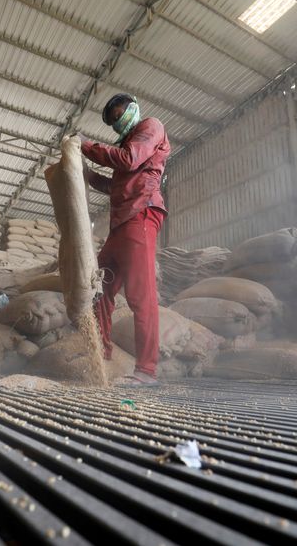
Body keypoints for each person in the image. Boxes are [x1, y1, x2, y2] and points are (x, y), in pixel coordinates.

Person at [80, 93, 170, 386]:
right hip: (121, 224)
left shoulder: (150, 127)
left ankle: (146, 371)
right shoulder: (128, 145)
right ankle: (100, 357)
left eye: (119, 114)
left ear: (132, 107)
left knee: (139, 296)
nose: (117, 122)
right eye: (112, 121)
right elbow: (115, 185)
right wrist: (87, 174)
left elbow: (129, 160)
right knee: (99, 288)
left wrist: (84, 145)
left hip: (141, 216)